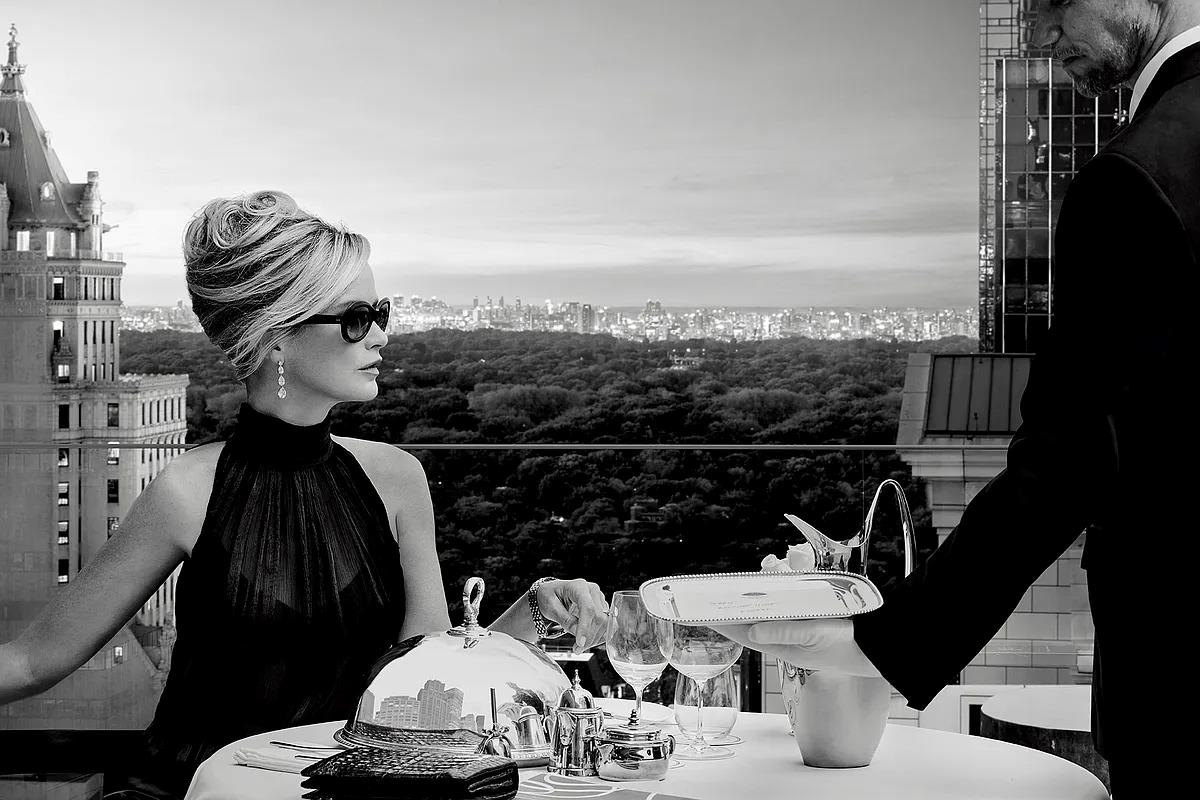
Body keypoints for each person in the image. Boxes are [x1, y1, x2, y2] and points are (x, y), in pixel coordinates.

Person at [719, 1, 1200, 794]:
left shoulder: (1138, 174)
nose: (1036, 34)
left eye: (1053, 2)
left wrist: (883, 642)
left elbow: (1071, 461)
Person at [0, 191, 610, 797]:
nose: (380, 338)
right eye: (354, 320)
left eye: (381, 313)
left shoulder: (396, 479)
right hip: (200, 792)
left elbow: (427, 679)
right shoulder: (187, 491)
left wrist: (536, 611)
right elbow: (34, 661)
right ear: (277, 338)